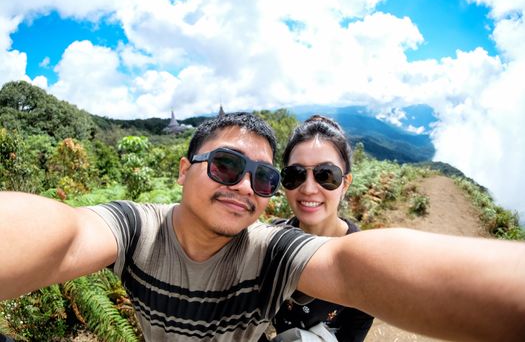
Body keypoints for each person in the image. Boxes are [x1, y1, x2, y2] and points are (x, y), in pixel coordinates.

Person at [1, 112, 525, 342]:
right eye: (226, 166)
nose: (244, 186)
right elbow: (67, 231)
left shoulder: (270, 247)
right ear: (184, 170)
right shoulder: (136, 227)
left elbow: (353, 267)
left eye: (265, 177)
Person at [270, 115, 373, 341]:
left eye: (325, 175)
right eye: (295, 174)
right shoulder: (272, 240)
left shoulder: (364, 262)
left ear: (345, 184)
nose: (308, 189)